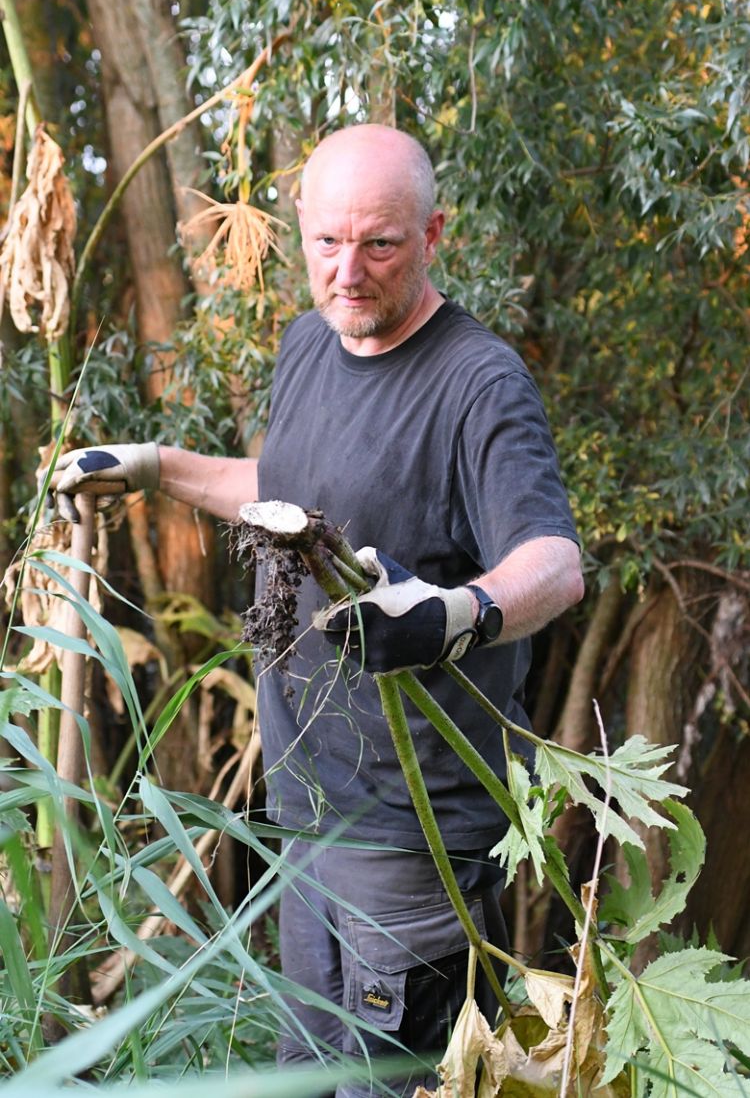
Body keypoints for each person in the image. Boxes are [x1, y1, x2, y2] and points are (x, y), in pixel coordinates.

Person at [46, 124, 583, 1096]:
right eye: (328, 242)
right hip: (307, 816)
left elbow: (553, 560)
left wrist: (458, 611)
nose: (348, 272)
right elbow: (289, 486)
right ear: (300, 227)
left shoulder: (479, 383)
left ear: (433, 234)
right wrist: (158, 466)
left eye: (379, 243)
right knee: (303, 1079)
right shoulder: (310, 342)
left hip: (411, 844)